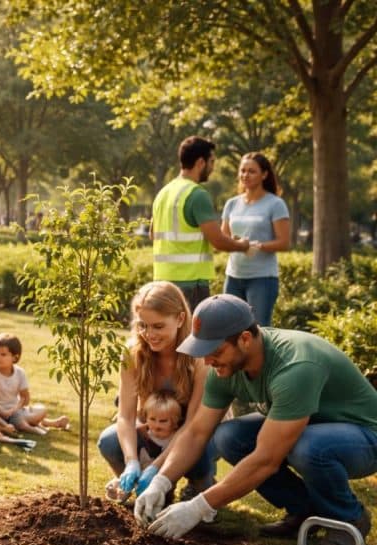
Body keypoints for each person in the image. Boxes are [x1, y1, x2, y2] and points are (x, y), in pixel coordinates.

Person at [135, 294, 377, 545]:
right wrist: (161, 481)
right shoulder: (224, 368)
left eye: (215, 351)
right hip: (309, 426)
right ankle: (304, 511)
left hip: (364, 436)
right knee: (229, 437)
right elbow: (196, 432)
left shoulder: (294, 367)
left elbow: (266, 459)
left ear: (245, 339)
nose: (207, 361)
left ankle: (348, 521)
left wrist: (199, 507)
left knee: (308, 447)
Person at [97, 281, 215, 502]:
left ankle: (199, 487)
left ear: (180, 319)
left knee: (201, 451)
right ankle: (135, 483)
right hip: (156, 428)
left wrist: (156, 469)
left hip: (194, 431)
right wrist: (131, 461)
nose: (149, 334)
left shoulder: (200, 357)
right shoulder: (133, 352)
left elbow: (193, 425)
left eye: (158, 326)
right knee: (109, 440)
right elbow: (125, 416)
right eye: (143, 325)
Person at [152, 136, 253, 312]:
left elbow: (153, 234)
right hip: (190, 285)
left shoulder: (164, 192)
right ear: (200, 162)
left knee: (170, 337)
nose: (213, 167)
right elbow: (218, 241)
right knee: (194, 337)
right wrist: (242, 245)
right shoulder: (197, 194)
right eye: (211, 161)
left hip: (162, 281)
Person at [220, 152, 291, 326]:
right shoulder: (231, 204)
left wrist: (257, 246)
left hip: (262, 279)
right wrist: (235, 242)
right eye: (242, 170)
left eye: (251, 171)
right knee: (230, 329)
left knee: (258, 330)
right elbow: (224, 237)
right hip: (233, 277)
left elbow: (284, 242)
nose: (245, 175)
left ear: (264, 174)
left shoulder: (275, 204)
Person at [0, 333, 69, 436]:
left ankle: (47, 423)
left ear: (15, 357)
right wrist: (0, 409)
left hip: (16, 411)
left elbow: (25, 399)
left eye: (3, 354)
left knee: (41, 410)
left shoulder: (20, 373)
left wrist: (12, 411)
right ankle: (48, 423)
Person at [105, 390, 181, 502]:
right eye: (152, 419)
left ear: (174, 421)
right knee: (132, 477)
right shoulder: (141, 432)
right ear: (146, 417)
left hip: (163, 477)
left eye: (163, 421)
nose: (156, 424)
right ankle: (123, 488)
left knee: (159, 499)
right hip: (141, 472)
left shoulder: (176, 438)